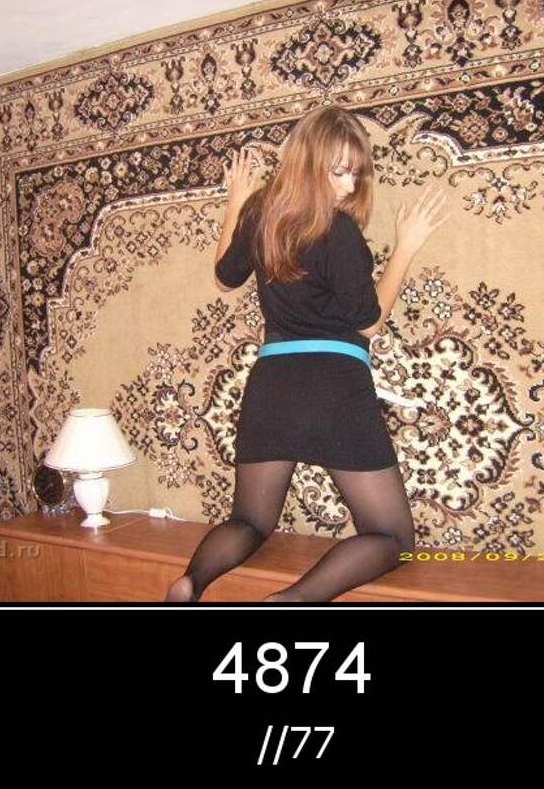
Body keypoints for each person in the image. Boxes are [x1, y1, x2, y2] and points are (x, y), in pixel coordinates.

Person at [165, 106, 451, 602]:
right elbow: (369, 322)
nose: (347, 186)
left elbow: (224, 277)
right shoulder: (339, 230)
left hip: (271, 383)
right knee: (392, 537)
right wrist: (405, 247)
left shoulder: (261, 214)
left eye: (355, 173)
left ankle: (191, 583)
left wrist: (236, 203)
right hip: (332, 384)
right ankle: (292, 601)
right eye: (338, 171)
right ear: (308, 163)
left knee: (248, 521)